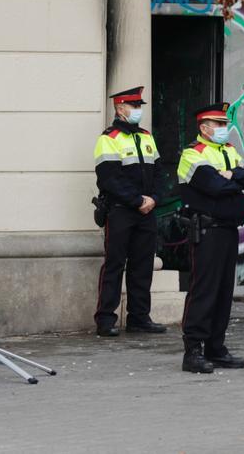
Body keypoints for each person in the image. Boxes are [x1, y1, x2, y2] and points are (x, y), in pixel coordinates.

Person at [177, 102, 244, 374]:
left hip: (227, 229)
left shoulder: (229, 151)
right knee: (204, 290)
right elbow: (213, 185)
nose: (225, 128)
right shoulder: (193, 154)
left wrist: (232, 175)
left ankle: (217, 346)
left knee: (224, 291)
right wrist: (235, 182)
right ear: (204, 127)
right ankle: (193, 350)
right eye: (219, 124)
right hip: (207, 230)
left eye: (225, 124)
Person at [92, 86, 165, 337]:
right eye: (134, 107)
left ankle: (139, 317)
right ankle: (105, 319)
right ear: (120, 109)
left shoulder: (146, 136)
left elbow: (158, 172)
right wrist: (137, 200)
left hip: (146, 211)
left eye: (139, 106)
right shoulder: (109, 138)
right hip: (121, 211)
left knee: (142, 266)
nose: (138, 111)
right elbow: (109, 179)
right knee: (114, 265)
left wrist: (154, 198)